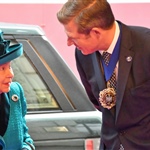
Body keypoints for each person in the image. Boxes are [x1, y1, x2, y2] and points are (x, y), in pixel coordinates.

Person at [57, 0, 150, 150]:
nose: (69, 43)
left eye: (72, 37)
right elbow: (96, 100)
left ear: (95, 32)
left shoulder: (146, 45)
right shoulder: (83, 54)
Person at [0, 30, 35, 150]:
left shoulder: (15, 92)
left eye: (10, 66)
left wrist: (27, 148)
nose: (10, 74)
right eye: (2, 69)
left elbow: (25, 137)